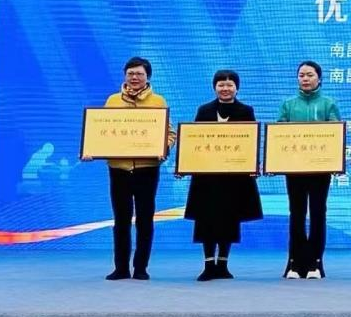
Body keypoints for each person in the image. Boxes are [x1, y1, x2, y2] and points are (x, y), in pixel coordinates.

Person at [183, 70, 263, 281]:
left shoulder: (246, 111)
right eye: (221, 85)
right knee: (206, 219)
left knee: (229, 218)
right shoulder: (204, 110)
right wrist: (186, 164)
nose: (225, 89)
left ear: (237, 88)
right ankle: (209, 265)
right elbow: (194, 141)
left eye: (229, 85)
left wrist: (253, 162)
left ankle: (223, 265)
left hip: (233, 178)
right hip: (206, 177)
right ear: (214, 87)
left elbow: (251, 142)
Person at [102, 57, 175, 281]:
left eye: (139, 74)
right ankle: (121, 268)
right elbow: (101, 131)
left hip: (147, 168)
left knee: (145, 219)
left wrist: (163, 148)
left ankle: (141, 267)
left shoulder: (158, 101)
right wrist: (93, 149)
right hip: (119, 168)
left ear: (147, 77)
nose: (134, 77)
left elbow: (170, 133)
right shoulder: (112, 101)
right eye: (130, 73)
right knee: (121, 220)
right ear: (125, 75)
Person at [278, 60, 341, 280]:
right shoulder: (288, 104)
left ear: (319, 78)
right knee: (296, 214)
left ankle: (315, 262)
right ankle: (294, 263)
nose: (305, 79)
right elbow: (279, 135)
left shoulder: (328, 104)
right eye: (302, 75)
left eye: (310, 75)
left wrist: (335, 160)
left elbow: (335, 135)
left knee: (317, 213)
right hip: (294, 170)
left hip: (320, 171)